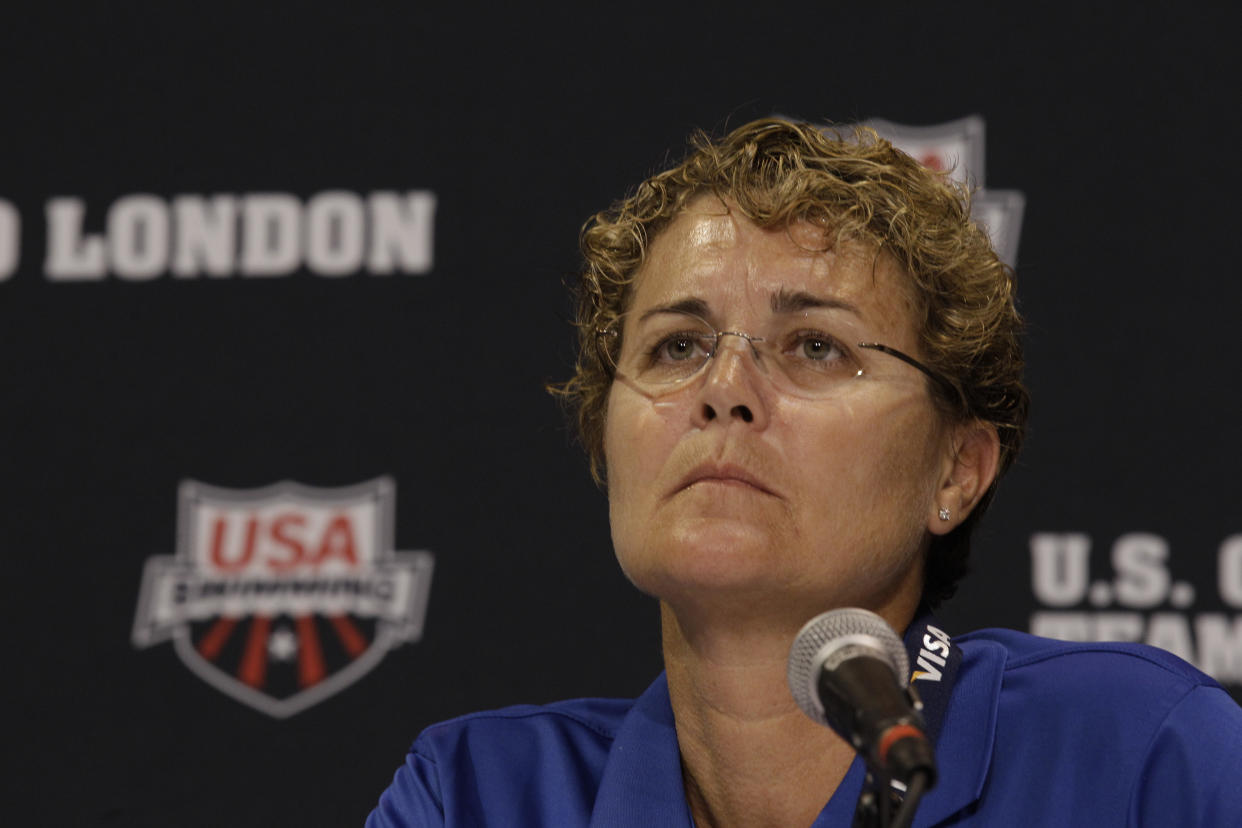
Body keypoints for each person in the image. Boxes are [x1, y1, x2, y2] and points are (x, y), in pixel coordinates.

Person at [367, 118, 1242, 826]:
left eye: (815, 347)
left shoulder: (1138, 757)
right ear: (603, 439)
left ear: (957, 470)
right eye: (677, 346)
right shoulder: (477, 797)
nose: (723, 392)